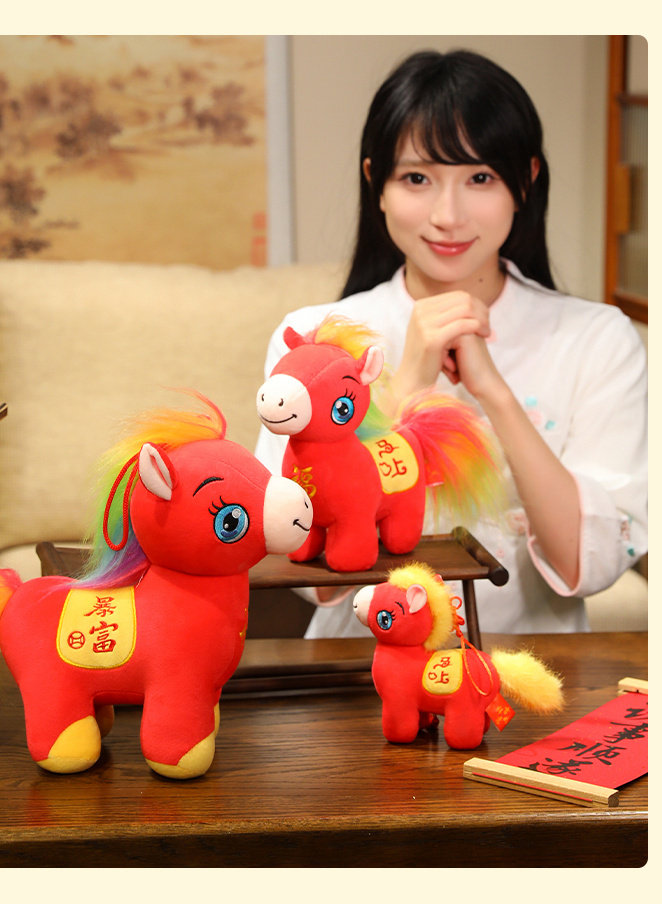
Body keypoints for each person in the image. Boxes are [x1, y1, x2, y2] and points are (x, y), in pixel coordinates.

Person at [255, 49, 647, 637]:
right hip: (360, 665)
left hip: (528, 669)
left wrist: (496, 395)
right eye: (417, 178)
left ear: (525, 181)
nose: (448, 215)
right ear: (376, 184)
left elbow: (588, 565)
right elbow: (302, 567)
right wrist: (408, 386)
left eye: (480, 178)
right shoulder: (315, 341)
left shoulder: (597, 338)